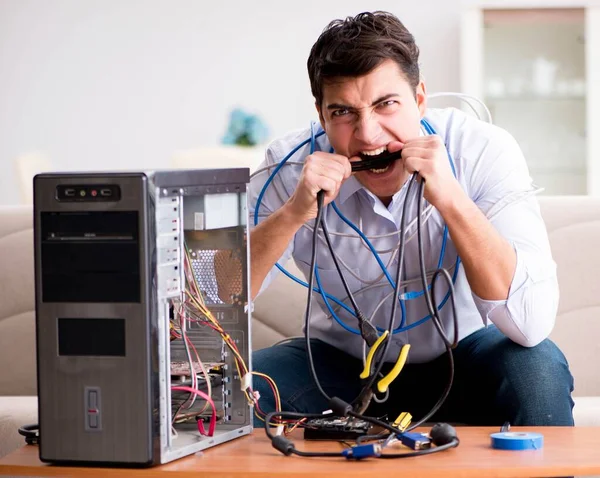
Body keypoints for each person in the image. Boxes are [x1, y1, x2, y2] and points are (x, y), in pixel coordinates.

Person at [248, 11, 574, 427]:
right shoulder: (288, 168)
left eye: (386, 104)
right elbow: (210, 304)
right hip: (342, 368)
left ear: (420, 98)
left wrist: (453, 199)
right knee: (240, 389)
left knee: (538, 369)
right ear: (321, 114)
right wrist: (293, 214)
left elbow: (529, 325)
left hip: (465, 360)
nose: (368, 134)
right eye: (344, 112)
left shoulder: (481, 150)